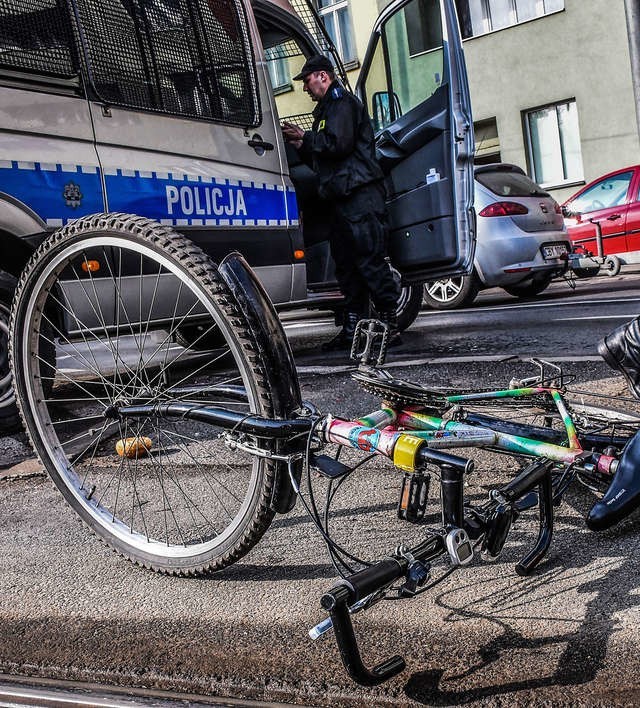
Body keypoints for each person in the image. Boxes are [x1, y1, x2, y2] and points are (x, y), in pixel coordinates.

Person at [281, 54, 400, 351]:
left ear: (323, 76)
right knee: (347, 268)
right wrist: (302, 145)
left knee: (370, 261)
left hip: (360, 197)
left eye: (307, 81)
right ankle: (353, 330)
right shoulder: (326, 109)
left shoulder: (342, 103)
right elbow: (325, 158)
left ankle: (390, 326)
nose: (306, 89)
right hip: (342, 200)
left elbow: (338, 144)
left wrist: (305, 138)